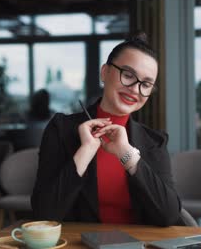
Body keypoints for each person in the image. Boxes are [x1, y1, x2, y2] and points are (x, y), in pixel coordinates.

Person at [31, 32, 181, 226]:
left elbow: (169, 216)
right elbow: (44, 214)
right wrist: (85, 151)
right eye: (128, 75)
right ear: (105, 72)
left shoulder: (154, 141)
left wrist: (127, 154)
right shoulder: (61, 129)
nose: (135, 89)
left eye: (146, 84)